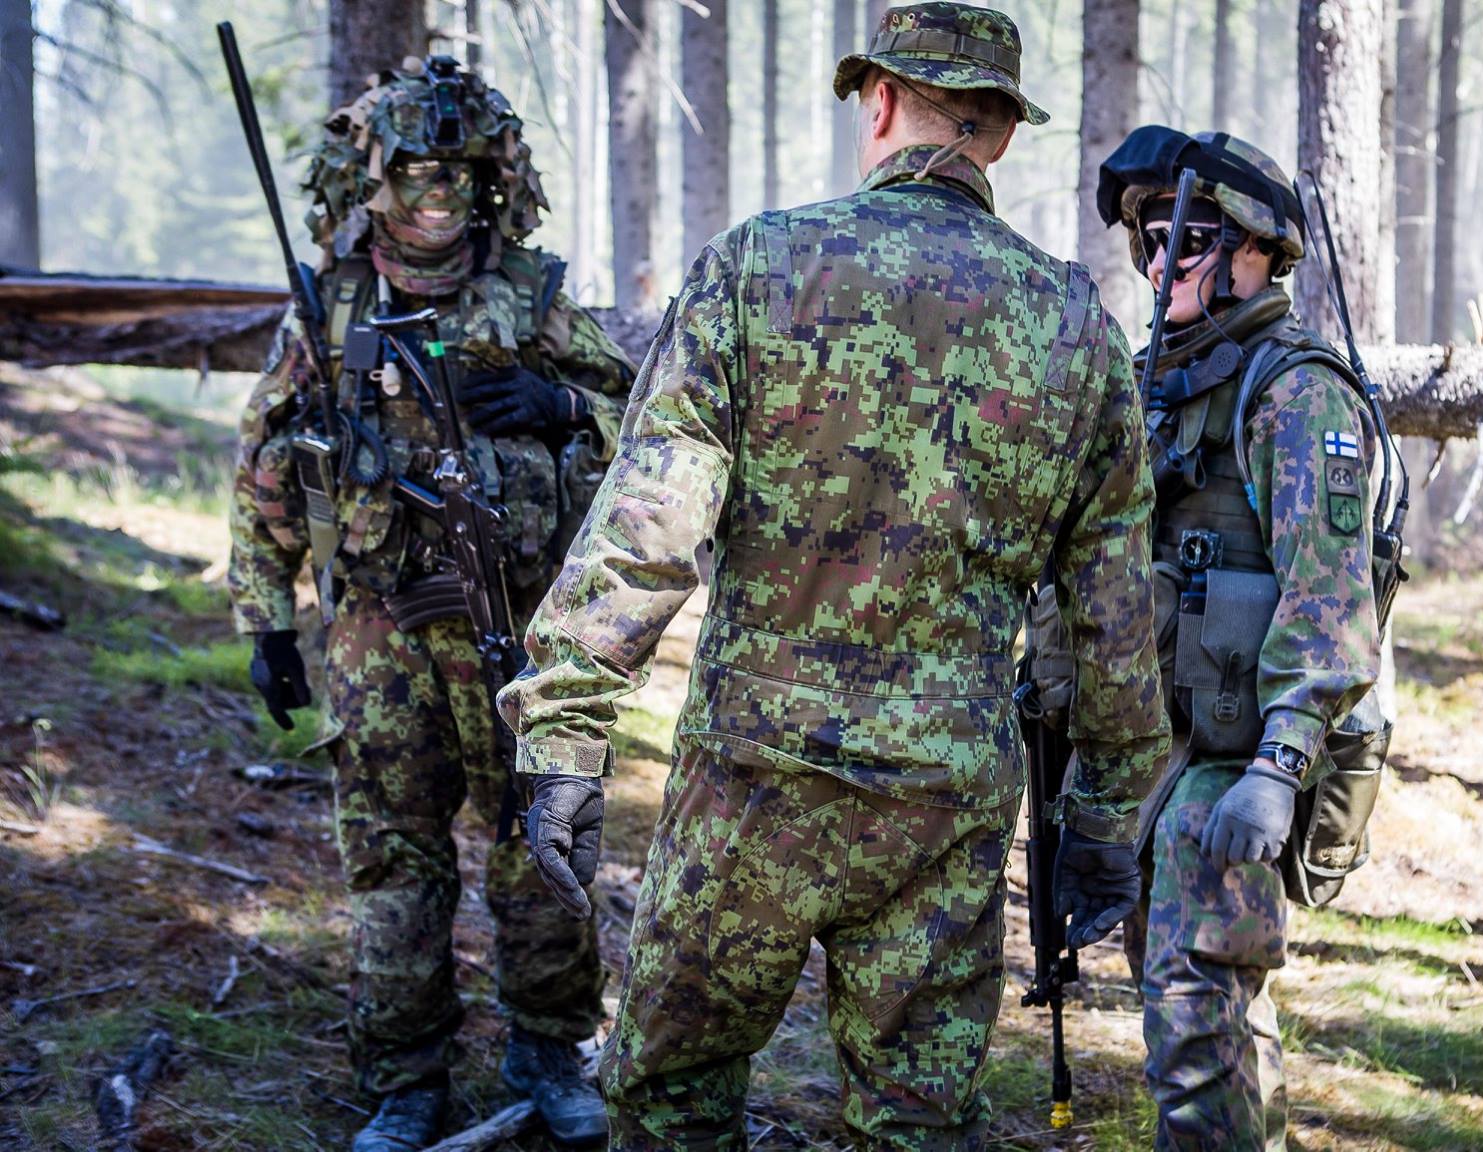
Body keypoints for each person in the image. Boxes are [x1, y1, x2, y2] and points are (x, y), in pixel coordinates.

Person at [495, 4, 1169, 1147]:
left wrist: (563, 731)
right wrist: (1104, 818)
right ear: (998, 134)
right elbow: (1110, 610)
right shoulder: (1074, 326)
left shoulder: (761, 265)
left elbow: (647, 521)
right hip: (941, 806)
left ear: (879, 102)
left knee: (670, 1098)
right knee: (912, 1121)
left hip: (751, 788)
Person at [227, 56, 632, 1152]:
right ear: (375, 179)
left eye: (456, 168)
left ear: (490, 177)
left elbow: (645, 425)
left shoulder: (533, 296)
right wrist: (266, 620)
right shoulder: (329, 308)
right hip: (377, 633)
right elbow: (264, 468)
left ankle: (550, 1049)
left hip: (521, 632)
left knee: (545, 846)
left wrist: (558, 404)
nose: (436, 190)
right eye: (413, 168)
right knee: (393, 860)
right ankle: (403, 1076)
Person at [1097, 127, 1387, 1150]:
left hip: (1239, 763)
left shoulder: (1294, 394)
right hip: (1169, 756)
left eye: (1187, 239)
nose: (1157, 262)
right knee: (1201, 1005)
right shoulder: (1164, 383)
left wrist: (1279, 762)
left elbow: (1329, 593)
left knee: (1193, 1012)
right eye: (1147, 242)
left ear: (1257, 251)